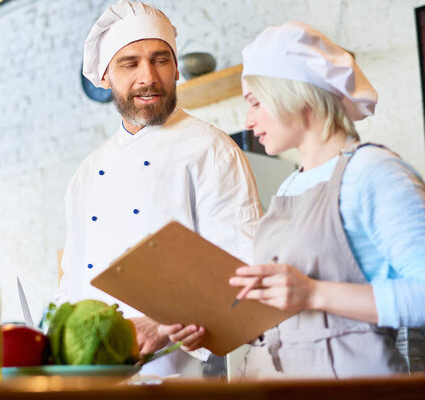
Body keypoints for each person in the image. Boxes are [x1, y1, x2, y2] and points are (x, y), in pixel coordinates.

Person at [161, 21, 425, 379]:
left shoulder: (373, 172)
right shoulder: (289, 187)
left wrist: (313, 293)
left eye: (255, 102)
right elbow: (281, 312)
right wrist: (212, 327)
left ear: (297, 95)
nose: (249, 121)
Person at [54, 0, 262, 377]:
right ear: (104, 78)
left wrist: (156, 325)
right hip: (93, 374)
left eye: (160, 59)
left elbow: (243, 269)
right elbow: (72, 280)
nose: (148, 77)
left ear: (177, 68)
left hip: (186, 372)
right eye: (129, 63)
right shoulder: (86, 174)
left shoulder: (210, 149)